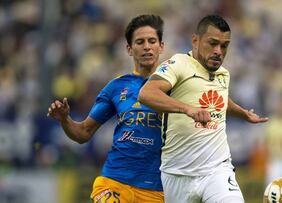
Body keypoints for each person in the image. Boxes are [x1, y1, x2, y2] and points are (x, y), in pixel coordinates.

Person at [138, 15, 268, 203]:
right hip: (177, 173)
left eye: (224, 46)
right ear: (195, 41)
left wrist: (243, 113)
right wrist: (187, 109)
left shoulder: (223, 74)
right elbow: (147, 93)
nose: (218, 51)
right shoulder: (178, 64)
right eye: (213, 43)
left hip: (217, 170)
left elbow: (220, 100)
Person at [47, 14, 165, 203]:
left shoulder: (176, 87)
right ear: (129, 49)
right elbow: (83, 133)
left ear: (161, 46)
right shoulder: (116, 87)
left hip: (157, 190)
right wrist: (65, 119)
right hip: (115, 182)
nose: (146, 47)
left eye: (152, 41)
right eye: (140, 42)